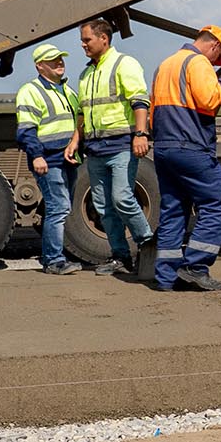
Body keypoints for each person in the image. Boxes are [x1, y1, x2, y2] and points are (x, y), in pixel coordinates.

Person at [149, 26, 221, 292]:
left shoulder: (166, 64)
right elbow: (211, 100)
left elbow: (154, 108)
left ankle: (166, 277)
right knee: (219, 201)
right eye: (219, 58)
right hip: (190, 146)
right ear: (215, 47)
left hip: (163, 147)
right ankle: (195, 266)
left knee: (174, 210)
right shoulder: (198, 62)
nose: (217, 62)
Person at [64, 19, 154, 276]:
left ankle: (148, 246)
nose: (83, 45)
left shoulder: (124, 64)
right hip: (95, 149)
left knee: (123, 198)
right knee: (103, 206)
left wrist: (140, 134)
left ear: (104, 38)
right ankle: (120, 257)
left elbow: (139, 101)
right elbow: (83, 112)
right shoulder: (86, 74)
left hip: (121, 147)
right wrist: (75, 140)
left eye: (87, 40)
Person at [16, 43, 83, 275]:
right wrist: (37, 156)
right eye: (53, 60)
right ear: (40, 66)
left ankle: (53, 257)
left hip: (68, 159)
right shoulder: (30, 91)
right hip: (48, 160)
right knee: (58, 208)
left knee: (61, 207)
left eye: (61, 58)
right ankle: (54, 261)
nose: (60, 63)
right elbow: (26, 130)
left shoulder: (68, 91)